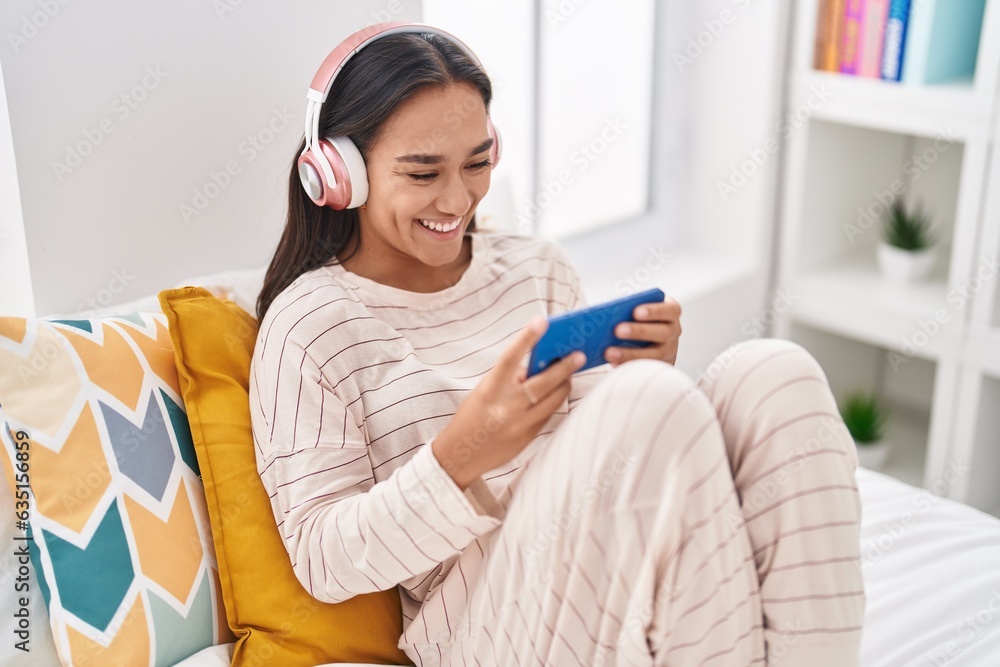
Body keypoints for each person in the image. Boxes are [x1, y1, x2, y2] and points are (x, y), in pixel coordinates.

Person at [249, 22, 865, 666]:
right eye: (423, 172)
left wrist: (637, 381)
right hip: (485, 625)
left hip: (605, 579)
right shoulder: (310, 326)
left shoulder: (537, 268)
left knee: (774, 374)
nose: (458, 199)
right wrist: (462, 453)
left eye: (478, 162)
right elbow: (324, 560)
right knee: (649, 405)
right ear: (340, 173)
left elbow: (609, 453)